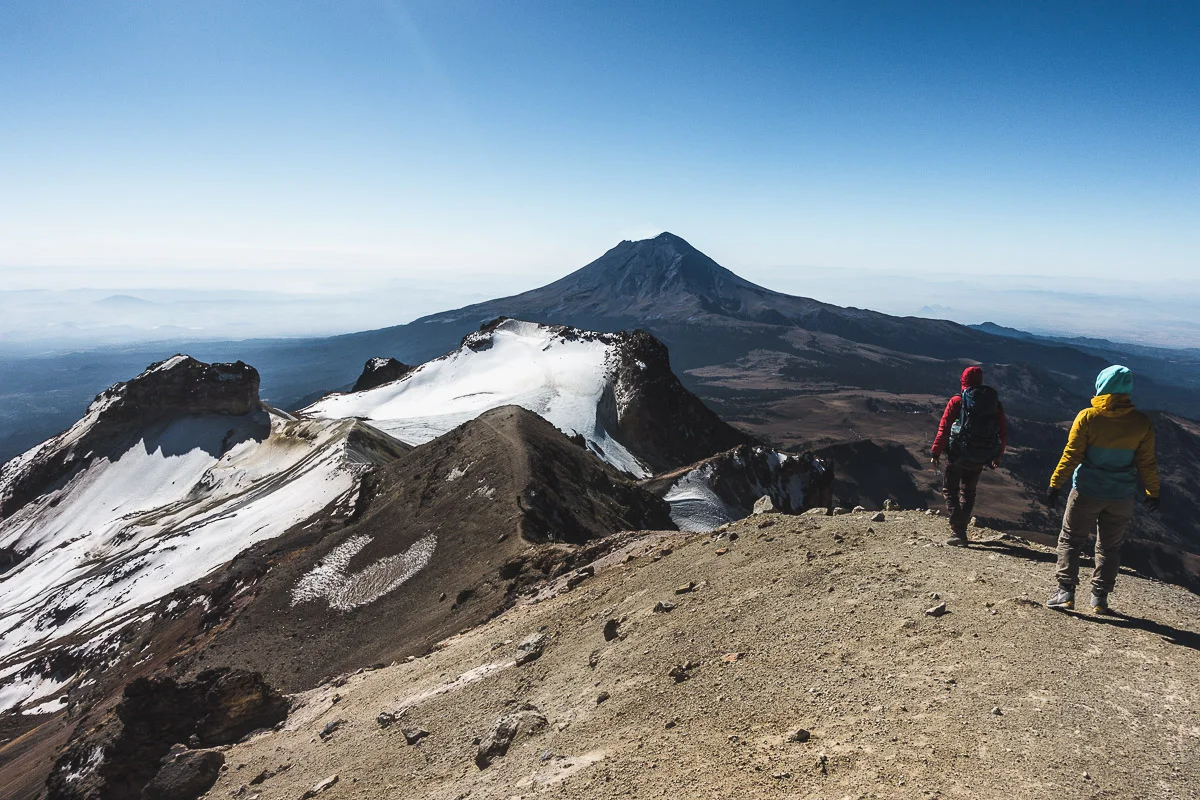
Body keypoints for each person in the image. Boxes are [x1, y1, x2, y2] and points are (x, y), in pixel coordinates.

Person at [1045, 365, 1159, 614]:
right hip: (1121, 496)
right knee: (1109, 547)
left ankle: (1065, 592)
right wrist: (1153, 491)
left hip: (1086, 490)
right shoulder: (1141, 422)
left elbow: (1071, 454)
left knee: (1071, 540)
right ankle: (1100, 598)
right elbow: (1146, 462)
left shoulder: (1088, 417)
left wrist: (1055, 483)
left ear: (1102, 386)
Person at [930, 366, 1007, 546]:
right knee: (968, 492)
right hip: (981, 455)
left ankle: (958, 529)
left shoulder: (957, 401)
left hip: (957, 454)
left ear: (963, 381)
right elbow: (1002, 431)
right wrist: (998, 455)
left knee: (950, 490)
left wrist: (935, 452)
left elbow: (944, 429)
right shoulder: (993, 403)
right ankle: (960, 529)